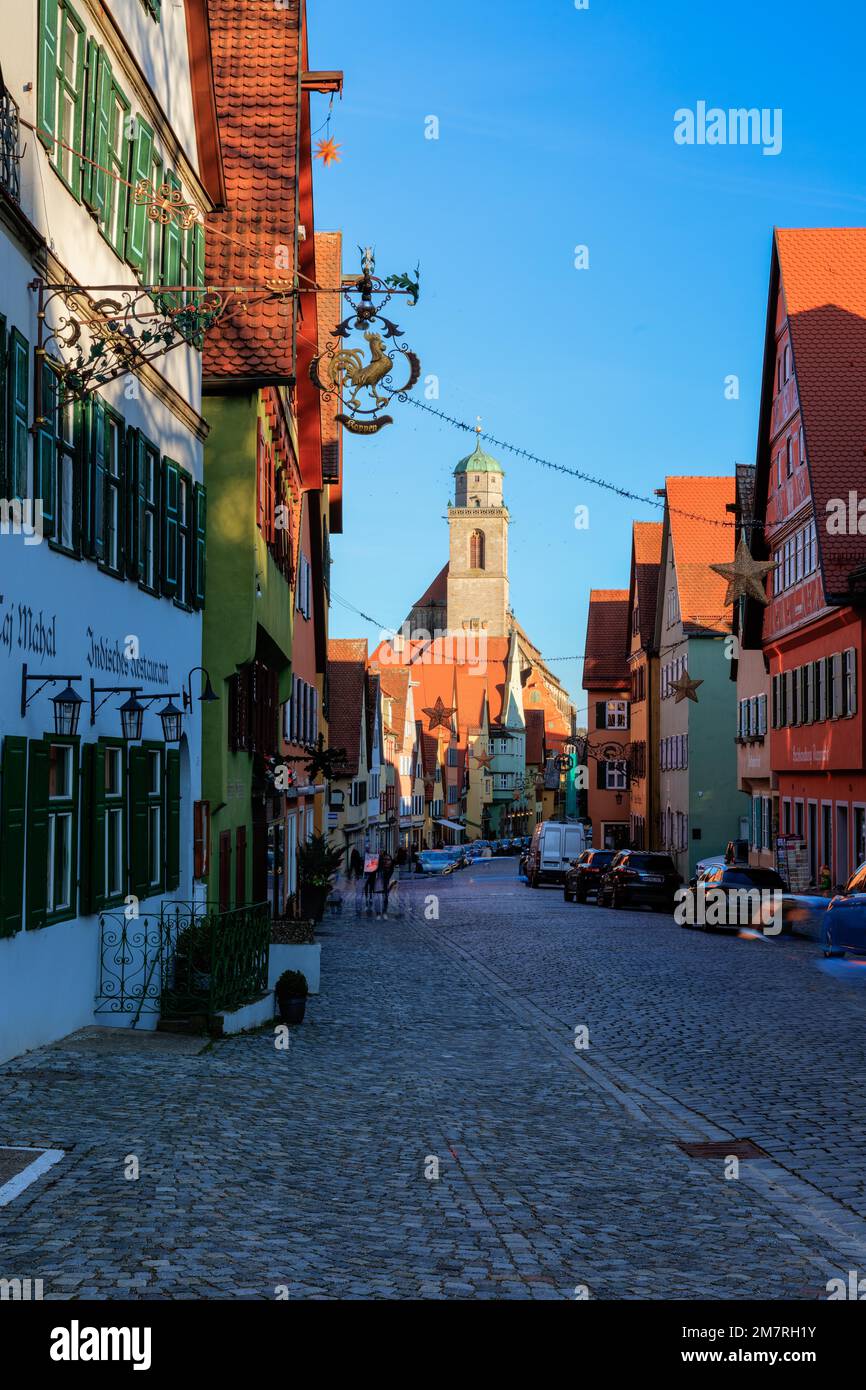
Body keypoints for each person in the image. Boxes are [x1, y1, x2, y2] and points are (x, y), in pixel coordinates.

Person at [374, 852, 395, 919]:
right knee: (377, 899)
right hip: (378, 884)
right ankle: (378, 914)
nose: (386, 861)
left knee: (385, 899)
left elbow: (390, 878)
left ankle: (384, 912)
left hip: (386, 885)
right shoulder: (379, 867)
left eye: (388, 860)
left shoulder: (391, 869)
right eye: (385, 859)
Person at [348, 848, 365, 916]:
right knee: (360, 894)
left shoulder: (353, 862)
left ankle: (358, 908)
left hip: (357, 878)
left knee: (358, 894)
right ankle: (359, 907)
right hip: (361, 877)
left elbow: (352, 870)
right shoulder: (360, 860)